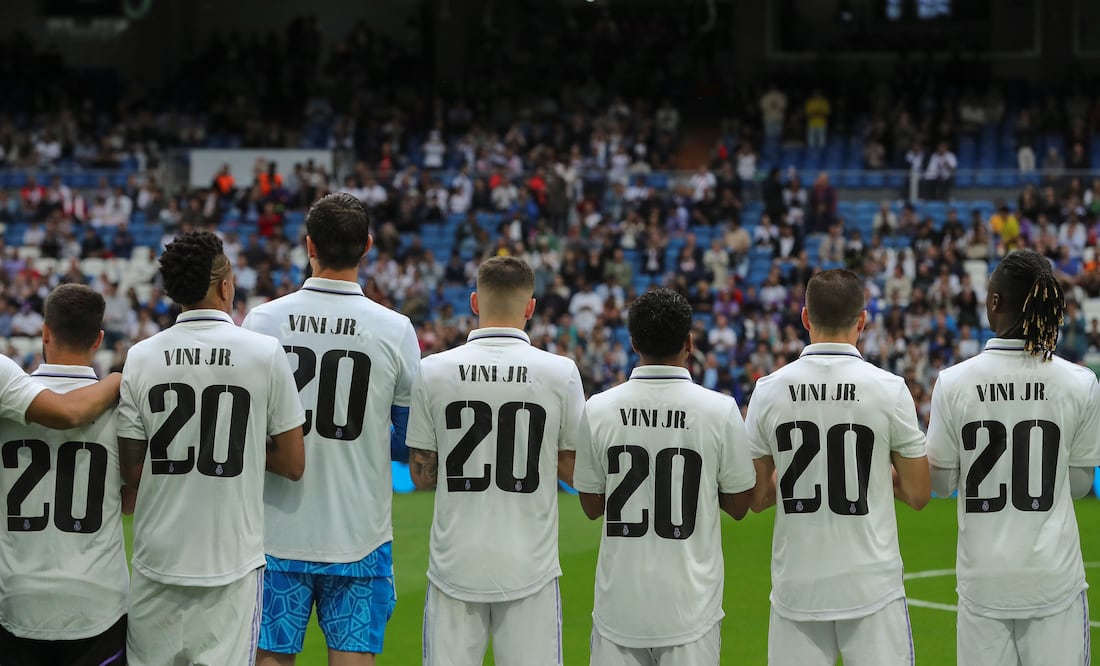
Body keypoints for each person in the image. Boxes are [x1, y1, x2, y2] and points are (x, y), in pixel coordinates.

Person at [243, 192, 421, 666]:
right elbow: (406, 443)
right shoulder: (396, 328)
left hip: (274, 534)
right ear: (367, 246)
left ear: (309, 245)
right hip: (359, 535)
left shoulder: (263, 321)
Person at [117, 231, 306, 666]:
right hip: (232, 564)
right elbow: (294, 463)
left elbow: (132, 471)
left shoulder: (141, 356)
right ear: (224, 286)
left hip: (156, 562)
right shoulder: (265, 353)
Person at [407, 256, 585, 666]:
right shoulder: (561, 372)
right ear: (530, 308)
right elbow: (573, 469)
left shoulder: (433, 370)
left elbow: (420, 475)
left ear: (474, 302)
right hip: (531, 566)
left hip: (455, 564)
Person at [746, 268, 930, 666]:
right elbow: (918, 493)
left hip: (797, 587)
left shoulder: (768, 390)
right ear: (862, 320)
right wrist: (872, 473)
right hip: (872, 587)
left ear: (805, 318)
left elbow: (757, 498)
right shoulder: (889, 388)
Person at [926, 250, 1099, 666]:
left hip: (983, 582)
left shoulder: (953, 383)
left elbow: (940, 484)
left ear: (995, 302)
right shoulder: (1080, 382)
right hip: (1053, 581)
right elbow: (1078, 487)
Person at [572, 288, 757, 665]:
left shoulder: (599, 408)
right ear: (689, 343)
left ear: (634, 342)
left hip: (618, 607)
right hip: (691, 609)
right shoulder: (720, 411)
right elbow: (740, 505)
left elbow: (592, 505)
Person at [0, 284, 133, 666]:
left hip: (16, 602)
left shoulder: (9, 400)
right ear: (98, 339)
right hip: (98, 606)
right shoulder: (122, 409)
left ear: (44, 332)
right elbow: (131, 498)